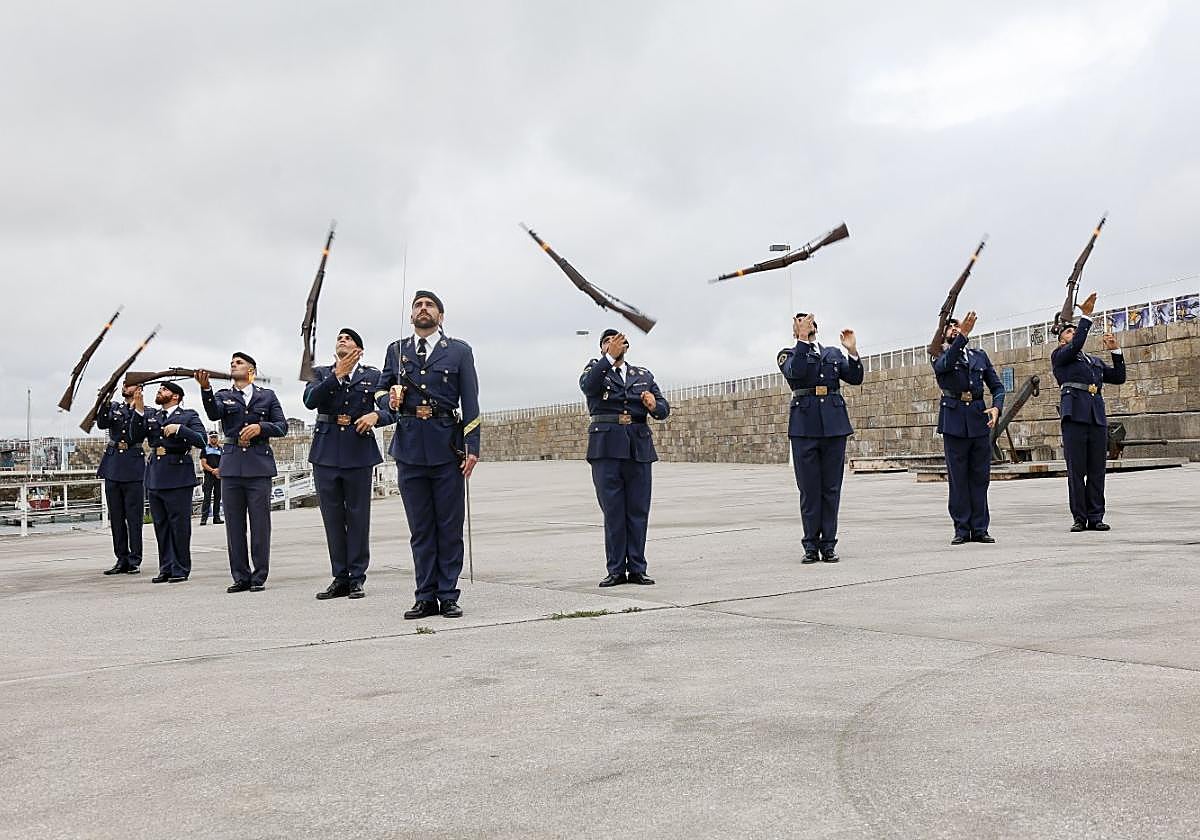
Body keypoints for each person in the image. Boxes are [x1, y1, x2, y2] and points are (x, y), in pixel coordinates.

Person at [378, 291, 480, 619]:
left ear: (441, 316)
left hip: (447, 447)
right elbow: (379, 390)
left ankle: (447, 594)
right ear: (411, 316)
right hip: (409, 448)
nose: (423, 309)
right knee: (421, 528)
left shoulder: (459, 351)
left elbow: (471, 401)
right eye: (418, 305)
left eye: (430, 305)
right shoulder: (396, 351)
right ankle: (424, 595)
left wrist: (472, 446)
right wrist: (389, 399)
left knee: (449, 527)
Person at [303, 328, 394, 601]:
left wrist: (377, 416)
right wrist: (337, 374)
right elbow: (309, 401)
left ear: (359, 351)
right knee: (332, 518)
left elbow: (392, 409)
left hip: (358, 451)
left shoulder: (373, 376)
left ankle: (357, 577)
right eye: (339, 338)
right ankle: (340, 577)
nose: (342, 340)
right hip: (326, 452)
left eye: (349, 338)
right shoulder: (320, 373)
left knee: (358, 517)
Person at [579, 329, 670, 587]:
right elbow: (588, 386)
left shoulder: (642, 375)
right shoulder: (595, 369)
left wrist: (654, 405)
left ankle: (638, 568)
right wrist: (609, 358)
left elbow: (663, 409)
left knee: (638, 510)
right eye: (606, 342)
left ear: (626, 347)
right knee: (613, 511)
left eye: (616, 341)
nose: (612, 344)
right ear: (601, 348)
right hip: (606, 449)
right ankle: (616, 569)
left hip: (638, 448)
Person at [197, 354, 287, 593]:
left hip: (259, 465)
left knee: (260, 525)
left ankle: (259, 576)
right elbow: (213, 413)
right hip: (232, 464)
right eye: (232, 363)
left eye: (239, 362)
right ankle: (240, 576)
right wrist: (206, 389)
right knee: (234, 525)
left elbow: (282, 427)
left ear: (251, 370)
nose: (233, 365)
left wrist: (261, 427)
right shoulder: (223, 395)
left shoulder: (267, 396)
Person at [778, 312, 863, 564]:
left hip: (834, 426)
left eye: (808, 321)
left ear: (816, 326)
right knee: (809, 489)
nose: (805, 324)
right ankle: (810, 545)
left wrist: (852, 351)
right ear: (795, 330)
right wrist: (802, 340)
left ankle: (828, 545)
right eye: (799, 322)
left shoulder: (833, 353)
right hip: (804, 428)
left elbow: (855, 378)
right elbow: (796, 373)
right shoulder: (788, 354)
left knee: (831, 489)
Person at [1051, 292, 1126, 532]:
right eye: (1068, 332)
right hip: (1074, 415)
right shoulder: (1060, 356)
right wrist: (1085, 317)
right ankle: (1079, 518)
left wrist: (1116, 352)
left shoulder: (1092, 361)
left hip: (1096, 416)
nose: (1073, 334)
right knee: (1076, 470)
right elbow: (1076, 345)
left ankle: (1096, 516)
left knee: (1097, 470)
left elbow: (1118, 377)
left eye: (1075, 330)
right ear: (1061, 340)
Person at [931, 312, 1006, 544]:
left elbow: (997, 386)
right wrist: (962, 335)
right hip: (954, 421)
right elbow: (945, 365)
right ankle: (962, 528)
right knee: (958, 478)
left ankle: (980, 528)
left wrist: (997, 407)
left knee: (980, 477)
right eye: (950, 326)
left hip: (977, 419)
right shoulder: (938, 354)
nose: (955, 328)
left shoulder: (979, 355)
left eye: (958, 325)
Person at [139, 382, 207, 583]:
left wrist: (180, 429)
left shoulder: (188, 416)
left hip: (178, 475)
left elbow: (202, 440)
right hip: (155, 474)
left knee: (179, 525)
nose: (160, 391)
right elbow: (134, 434)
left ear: (176, 396)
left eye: (164, 389)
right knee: (161, 525)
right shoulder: (153, 415)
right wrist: (138, 407)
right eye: (159, 389)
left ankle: (180, 568)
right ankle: (166, 567)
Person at [96, 383, 148, 575]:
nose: (125, 387)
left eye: (130, 384)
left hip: (133, 466)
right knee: (116, 517)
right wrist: (103, 402)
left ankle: (134, 559)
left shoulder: (145, 410)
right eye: (124, 384)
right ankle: (121, 558)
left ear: (139, 388)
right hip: (113, 465)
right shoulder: (114, 407)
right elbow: (102, 423)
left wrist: (138, 408)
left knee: (134, 518)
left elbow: (140, 432)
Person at [199, 431, 223, 525]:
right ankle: (204, 518)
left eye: (215, 437)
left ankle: (216, 517)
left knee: (218, 497)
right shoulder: (205, 449)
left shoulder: (221, 449)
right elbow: (203, 463)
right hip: (209, 475)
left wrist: (219, 470)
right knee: (207, 497)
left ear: (217, 438)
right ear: (209, 438)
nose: (214, 438)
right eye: (212, 437)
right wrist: (213, 470)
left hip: (219, 475)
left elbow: (224, 462)